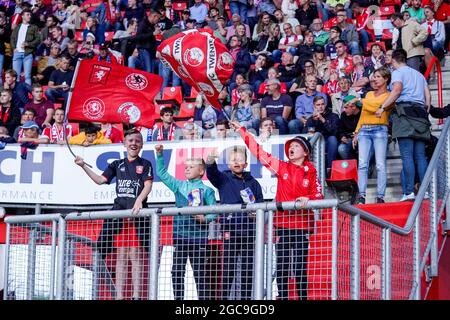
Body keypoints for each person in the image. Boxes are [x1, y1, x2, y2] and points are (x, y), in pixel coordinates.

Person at [232, 121, 323, 300]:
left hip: (303, 226)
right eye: (290, 146)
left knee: (299, 268)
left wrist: (309, 199)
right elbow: (259, 152)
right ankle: (282, 297)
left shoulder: (311, 172)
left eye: (296, 146)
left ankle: (302, 298)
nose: (291, 149)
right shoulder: (282, 167)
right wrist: (242, 131)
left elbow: (318, 195)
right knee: (281, 266)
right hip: (283, 225)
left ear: (305, 152)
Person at [74, 129, 153, 300]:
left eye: (137, 141)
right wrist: (83, 166)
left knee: (136, 254)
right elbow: (100, 180)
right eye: (130, 140)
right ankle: (118, 296)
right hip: (120, 215)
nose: (134, 143)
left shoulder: (145, 164)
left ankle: (136, 295)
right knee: (122, 255)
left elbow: (147, 185)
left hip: (137, 216)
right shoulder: (117, 164)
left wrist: (139, 200)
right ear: (124, 143)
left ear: (141, 144)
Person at [155, 144, 217, 300]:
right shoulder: (179, 185)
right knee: (177, 271)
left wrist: (205, 218)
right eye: (186, 166)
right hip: (180, 236)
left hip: (199, 238)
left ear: (201, 171)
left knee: (200, 274)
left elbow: (215, 211)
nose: (187, 169)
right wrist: (160, 155)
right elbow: (161, 173)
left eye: (191, 167)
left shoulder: (208, 190)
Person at [206, 146, 263, 300]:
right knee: (228, 269)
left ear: (246, 163)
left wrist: (256, 214)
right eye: (233, 160)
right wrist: (211, 160)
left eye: (240, 160)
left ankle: (246, 301)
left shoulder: (254, 183)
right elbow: (211, 173)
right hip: (230, 230)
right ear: (229, 163)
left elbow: (261, 206)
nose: (237, 163)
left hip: (250, 232)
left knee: (247, 270)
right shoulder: (223, 178)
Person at [377, 49, 431, 202]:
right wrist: (425, 110)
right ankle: (425, 191)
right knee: (420, 156)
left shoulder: (398, 73)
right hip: (420, 114)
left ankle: (409, 192)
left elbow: (396, 91)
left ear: (394, 60)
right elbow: (428, 96)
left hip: (404, 113)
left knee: (407, 156)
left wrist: (382, 107)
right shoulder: (419, 75)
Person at [352, 68, 392, 204]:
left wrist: (360, 100)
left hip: (380, 130)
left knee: (380, 164)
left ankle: (380, 196)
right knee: (362, 164)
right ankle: (361, 196)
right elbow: (364, 114)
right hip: (364, 130)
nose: (374, 79)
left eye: (378, 76)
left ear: (386, 79)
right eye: (374, 77)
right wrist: (357, 132)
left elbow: (377, 108)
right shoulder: (368, 94)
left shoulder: (389, 95)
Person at [304, 95, 339, 175]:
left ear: (325, 105)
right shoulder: (311, 119)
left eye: (322, 104)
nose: (321, 107)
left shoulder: (333, 116)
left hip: (328, 143)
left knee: (332, 139)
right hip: (315, 144)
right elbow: (305, 134)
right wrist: (312, 121)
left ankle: (330, 169)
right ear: (314, 106)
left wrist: (322, 120)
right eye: (318, 105)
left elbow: (334, 132)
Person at [10, 9, 40, 85]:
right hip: (17, 53)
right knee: (16, 76)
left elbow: (38, 39)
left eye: (30, 15)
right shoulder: (17, 27)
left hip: (28, 53)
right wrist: (14, 48)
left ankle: (28, 95)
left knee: (27, 76)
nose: (29, 16)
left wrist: (28, 44)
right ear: (22, 16)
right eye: (27, 15)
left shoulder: (34, 27)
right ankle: (17, 94)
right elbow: (12, 38)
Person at [337, 95, 361, 160]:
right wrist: (342, 136)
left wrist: (357, 136)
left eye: (346, 107)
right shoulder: (343, 115)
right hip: (349, 139)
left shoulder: (363, 113)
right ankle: (353, 166)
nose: (344, 110)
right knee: (341, 149)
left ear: (353, 107)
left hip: (362, 138)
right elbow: (340, 129)